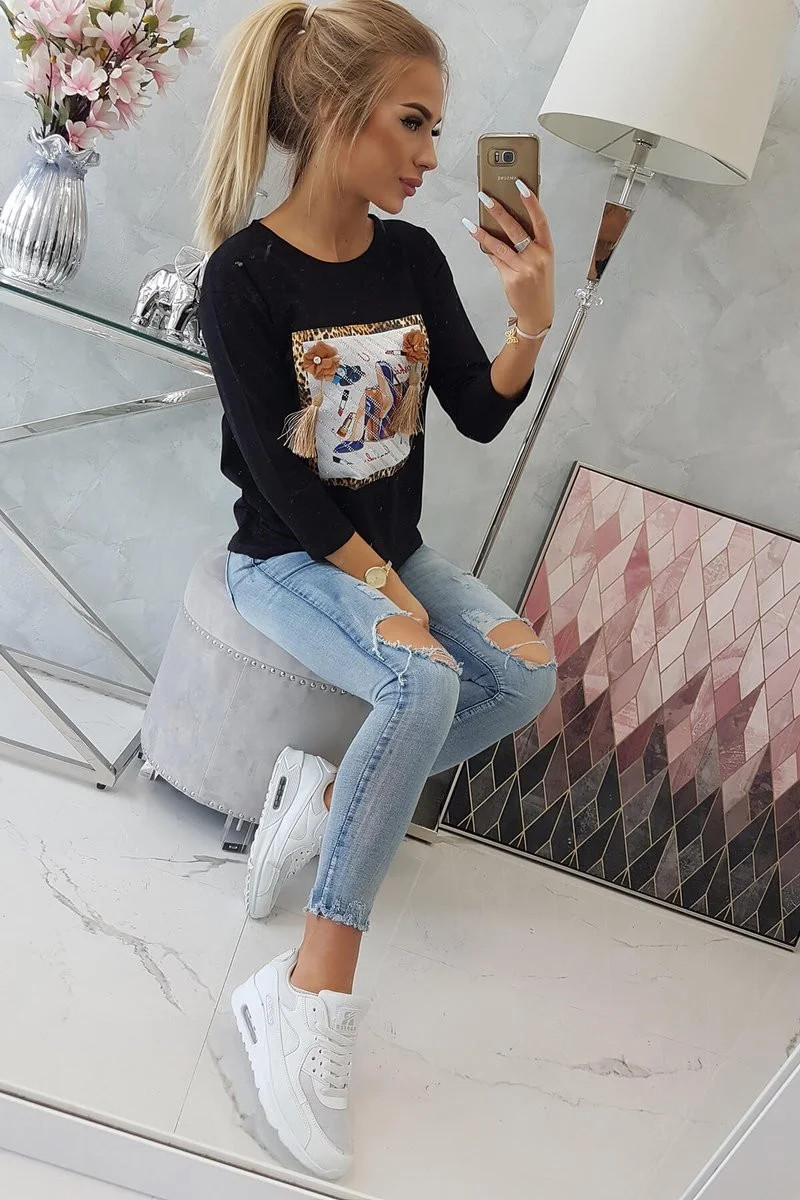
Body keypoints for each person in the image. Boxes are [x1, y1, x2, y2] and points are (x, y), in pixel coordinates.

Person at [196, 0, 557, 1181]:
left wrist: (528, 323)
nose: (431, 155)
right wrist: (383, 591)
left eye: (437, 128)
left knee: (524, 673)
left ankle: (320, 800)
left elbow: (477, 411)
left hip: (389, 550)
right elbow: (282, 484)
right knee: (422, 680)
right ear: (332, 110)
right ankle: (305, 991)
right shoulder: (242, 276)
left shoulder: (409, 260)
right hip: (288, 560)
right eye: (412, 122)